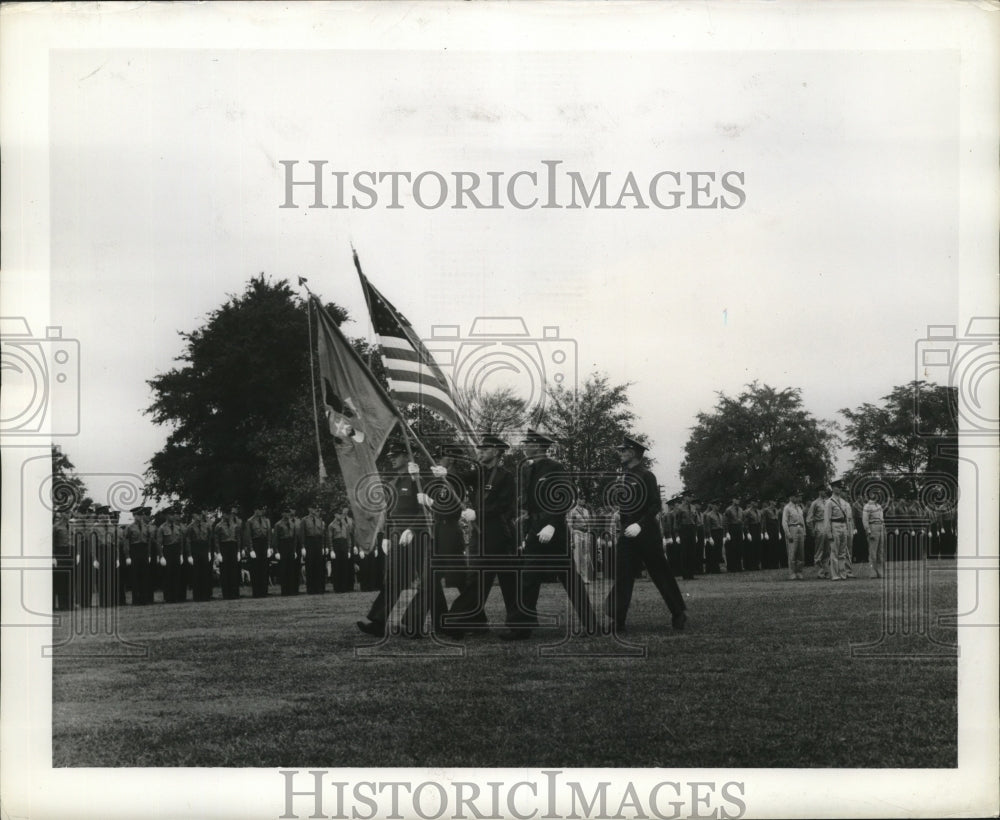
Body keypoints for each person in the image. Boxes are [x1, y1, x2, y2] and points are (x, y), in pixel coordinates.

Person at [501, 430, 597, 640]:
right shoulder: (529, 469)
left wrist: (553, 524)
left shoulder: (554, 467)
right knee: (527, 579)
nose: (524, 446)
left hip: (554, 533)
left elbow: (566, 495)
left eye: (528, 443)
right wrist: (525, 524)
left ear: (538, 445)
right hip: (536, 531)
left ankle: (591, 624)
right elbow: (529, 503)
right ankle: (521, 628)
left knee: (570, 579)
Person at [604, 437, 687, 634]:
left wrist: (639, 525)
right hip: (627, 532)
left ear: (633, 452)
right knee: (623, 575)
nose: (620, 453)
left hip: (646, 533)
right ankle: (618, 619)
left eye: (624, 450)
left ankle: (678, 612)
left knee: (660, 573)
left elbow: (654, 505)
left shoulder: (646, 475)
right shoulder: (623, 476)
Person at [357, 442, 433, 638]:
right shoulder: (392, 483)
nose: (392, 458)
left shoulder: (418, 480)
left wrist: (411, 529)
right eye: (391, 455)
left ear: (408, 456)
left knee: (426, 582)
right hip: (397, 536)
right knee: (393, 580)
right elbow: (389, 513)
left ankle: (413, 624)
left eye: (397, 455)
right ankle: (377, 621)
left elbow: (425, 511)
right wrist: (386, 535)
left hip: (419, 536)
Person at [447, 434, 520, 634]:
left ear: (496, 452)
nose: (480, 452)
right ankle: (458, 622)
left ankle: (519, 624)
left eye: (485, 449)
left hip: (499, 534)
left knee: (508, 582)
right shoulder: (479, 472)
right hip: (481, 535)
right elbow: (458, 480)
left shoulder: (505, 477)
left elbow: (506, 507)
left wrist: (478, 513)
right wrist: (445, 471)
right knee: (476, 579)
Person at [403, 443, 466, 635]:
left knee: (461, 580)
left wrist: (430, 502)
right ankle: (414, 624)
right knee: (429, 579)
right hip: (437, 531)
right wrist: (416, 479)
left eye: (441, 458)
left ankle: (473, 620)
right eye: (437, 458)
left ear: (451, 460)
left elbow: (454, 507)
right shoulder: (439, 482)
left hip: (450, 532)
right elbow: (424, 504)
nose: (437, 461)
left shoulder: (456, 480)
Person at [824, 480, 854, 581]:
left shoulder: (843, 502)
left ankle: (842, 573)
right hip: (834, 525)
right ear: (833, 488)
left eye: (840, 487)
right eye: (837, 487)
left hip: (843, 525)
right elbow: (827, 519)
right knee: (834, 551)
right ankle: (835, 574)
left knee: (842, 552)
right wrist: (829, 533)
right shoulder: (829, 502)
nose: (840, 489)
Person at [156, 505, 187, 603]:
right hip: (167, 550)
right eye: (171, 515)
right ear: (166, 516)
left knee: (177, 574)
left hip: (176, 551)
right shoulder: (162, 528)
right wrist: (161, 556)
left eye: (174, 514)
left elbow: (181, 542)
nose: (173, 516)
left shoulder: (178, 528)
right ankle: (168, 597)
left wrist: (181, 554)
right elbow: (159, 543)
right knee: (168, 574)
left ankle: (177, 595)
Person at [214, 505, 242, 600]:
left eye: (230, 514)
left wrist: (238, 551)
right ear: (223, 514)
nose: (229, 516)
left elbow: (238, 539)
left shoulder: (235, 525)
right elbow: (216, 540)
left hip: (233, 547)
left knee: (234, 571)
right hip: (224, 547)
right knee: (225, 572)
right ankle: (226, 594)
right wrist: (218, 553)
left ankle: (235, 593)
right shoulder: (219, 526)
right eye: (227, 514)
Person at [243, 506, 272, 598]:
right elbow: (248, 536)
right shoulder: (250, 521)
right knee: (255, 569)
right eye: (258, 509)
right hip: (255, 544)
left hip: (264, 544)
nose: (260, 511)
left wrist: (269, 547)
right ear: (255, 510)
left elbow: (269, 535)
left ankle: (264, 591)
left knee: (264, 569)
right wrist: (251, 549)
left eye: (262, 510)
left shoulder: (266, 520)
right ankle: (256, 592)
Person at [185, 509, 214, 601]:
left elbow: (209, 539)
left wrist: (209, 552)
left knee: (205, 572)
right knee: (196, 573)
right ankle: (197, 596)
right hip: (195, 548)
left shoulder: (207, 526)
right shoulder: (190, 527)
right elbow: (188, 541)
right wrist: (189, 555)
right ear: (193, 516)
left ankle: (206, 595)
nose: (199, 517)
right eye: (197, 515)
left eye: (200, 515)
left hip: (204, 548)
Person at [273, 507, 301, 596]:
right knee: (283, 568)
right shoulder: (278, 524)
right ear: (282, 514)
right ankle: (285, 590)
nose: (287, 515)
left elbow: (295, 538)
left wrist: (295, 550)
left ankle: (291, 590)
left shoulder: (292, 524)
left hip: (291, 545)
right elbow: (275, 539)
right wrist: (276, 551)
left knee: (291, 568)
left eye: (288, 513)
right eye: (285, 513)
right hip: (283, 545)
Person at [568, 496, 594, 584]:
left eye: (584, 499)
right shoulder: (572, 511)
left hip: (586, 533)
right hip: (577, 533)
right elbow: (570, 526)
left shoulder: (586, 511)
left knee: (585, 556)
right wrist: (571, 539)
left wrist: (589, 534)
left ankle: (585, 577)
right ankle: (577, 578)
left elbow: (589, 523)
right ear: (577, 500)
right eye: (581, 499)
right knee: (577, 556)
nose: (583, 500)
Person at [300, 505, 326, 594]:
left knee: (319, 566)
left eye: (316, 509)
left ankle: (319, 588)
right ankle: (311, 589)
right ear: (309, 509)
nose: (315, 510)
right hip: (309, 542)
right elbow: (302, 534)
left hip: (318, 542)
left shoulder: (320, 520)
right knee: (310, 566)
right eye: (313, 508)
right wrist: (303, 547)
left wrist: (322, 546)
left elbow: (322, 534)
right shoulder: (304, 520)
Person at [327, 508, 354, 593]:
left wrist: (349, 550)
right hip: (336, 545)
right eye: (339, 514)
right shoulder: (331, 525)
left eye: (341, 514)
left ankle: (344, 587)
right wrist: (331, 550)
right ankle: (337, 587)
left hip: (344, 545)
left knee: (344, 566)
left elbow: (349, 538)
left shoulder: (345, 524)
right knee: (336, 567)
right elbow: (330, 539)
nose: (341, 516)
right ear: (335, 515)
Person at [673, 494, 699, 581]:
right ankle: (685, 574)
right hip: (684, 529)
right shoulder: (680, 508)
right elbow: (676, 521)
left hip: (691, 529)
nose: (690, 498)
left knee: (692, 551)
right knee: (684, 552)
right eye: (689, 496)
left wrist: (695, 534)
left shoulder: (693, 507)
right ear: (685, 497)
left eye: (691, 496)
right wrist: (677, 535)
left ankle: (691, 574)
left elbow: (695, 521)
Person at [781, 490, 806, 580]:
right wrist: (788, 534)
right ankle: (792, 573)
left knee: (800, 552)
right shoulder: (787, 508)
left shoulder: (799, 508)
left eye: (798, 496)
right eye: (795, 496)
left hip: (800, 529)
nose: (797, 498)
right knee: (792, 552)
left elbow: (802, 521)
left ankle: (799, 571)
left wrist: (804, 532)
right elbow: (784, 522)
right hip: (792, 528)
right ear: (791, 497)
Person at [807, 488, 830, 578]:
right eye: (822, 490)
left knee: (827, 550)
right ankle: (820, 572)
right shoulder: (815, 503)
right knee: (819, 550)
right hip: (819, 524)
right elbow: (809, 518)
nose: (824, 492)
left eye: (825, 490)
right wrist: (812, 529)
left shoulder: (828, 501)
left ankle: (826, 571)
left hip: (827, 525)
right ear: (819, 491)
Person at [862, 494, 887, 579]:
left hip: (881, 527)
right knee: (873, 551)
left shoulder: (879, 505)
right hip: (873, 527)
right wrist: (868, 531)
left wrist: (884, 528)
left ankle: (880, 572)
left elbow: (882, 519)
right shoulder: (867, 506)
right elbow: (865, 520)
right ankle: (873, 572)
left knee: (881, 551)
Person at [703, 501, 724, 574]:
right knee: (713, 552)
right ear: (713, 506)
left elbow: (722, 525)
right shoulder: (709, 515)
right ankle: (713, 568)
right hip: (713, 532)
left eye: (719, 505)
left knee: (718, 550)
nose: (718, 507)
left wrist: (723, 535)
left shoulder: (720, 515)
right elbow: (707, 527)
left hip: (719, 532)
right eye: (717, 505)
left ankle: (716, 567)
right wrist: (709, 537)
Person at [723, 497, 744, 572]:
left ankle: (738, 566)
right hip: (732, 528)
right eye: (736, 499)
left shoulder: (741, 509)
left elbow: (742, 520)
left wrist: (743, 531)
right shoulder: (728, 510)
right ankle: (731, 567)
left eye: (738, 499)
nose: (737, 501)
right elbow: (725, 522)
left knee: (739, 548)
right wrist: (727, 532)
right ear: (733, 500)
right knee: (732, 548)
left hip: (739, 528)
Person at [742, 500, 762, 571]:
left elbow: (760, 522)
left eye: (757, 502)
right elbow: (745, 523)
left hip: (757, 529)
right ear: (751, 503)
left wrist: (761, 532)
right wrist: (747, 533)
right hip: (751, 529)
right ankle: (750, 565)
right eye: (754, 502)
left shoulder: (759, 511)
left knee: (757, 547)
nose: (756, 503)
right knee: (751, 548)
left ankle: (756, 564)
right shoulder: (747, 512)